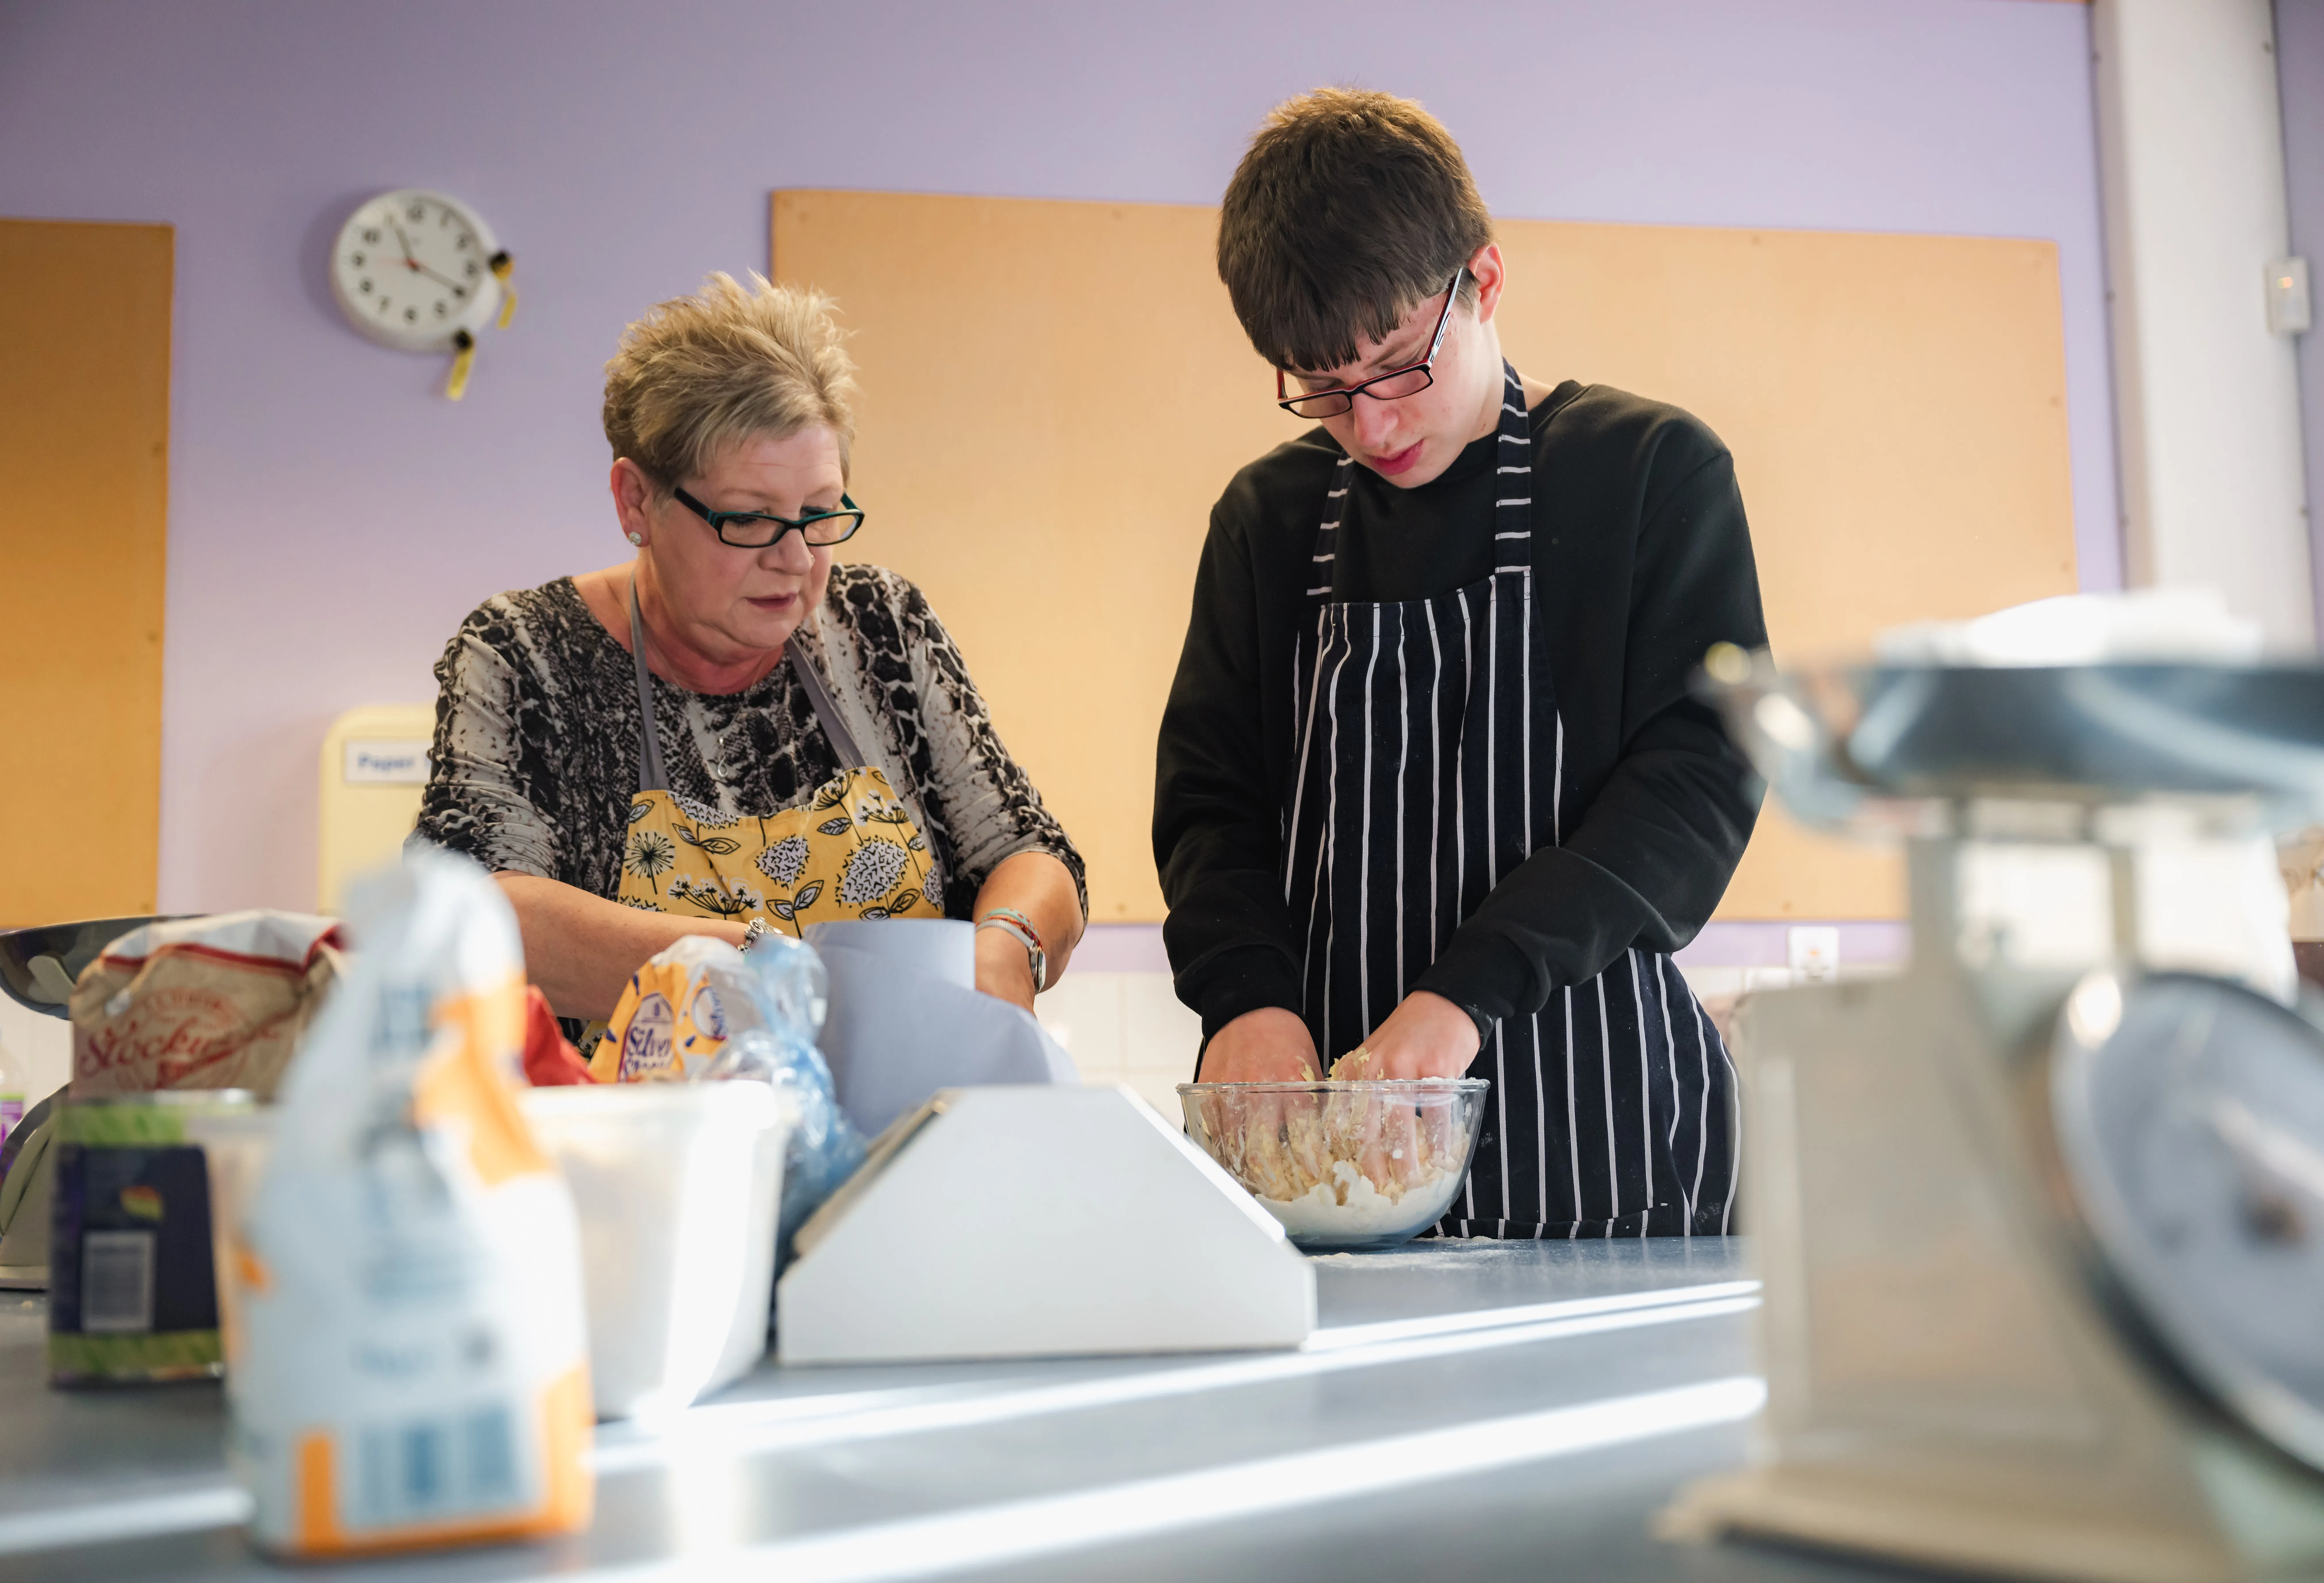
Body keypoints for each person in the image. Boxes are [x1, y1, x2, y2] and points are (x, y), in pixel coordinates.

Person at [1155, 90, 1765, 1238]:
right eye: (1324, 390)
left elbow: (1693, 788)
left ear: (1483, 280)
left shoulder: (1648, 476)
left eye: (1395, 366)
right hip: (1339, 1157)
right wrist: (1247, 995)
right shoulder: (1269, 520)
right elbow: (1211, 805)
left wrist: (1463, 994)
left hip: (1613, 1152)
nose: (1373, 427)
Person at [416, 273, 1085, 1025]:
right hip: (635, 1135)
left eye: (820, 513)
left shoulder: (882, 626)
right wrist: (758, 975)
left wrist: (1009, 941)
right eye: (750, 520)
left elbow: (1027, 849)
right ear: (637, 500)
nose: (797, 559)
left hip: (898, 1130)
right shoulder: (526, 654)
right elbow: (476, 910)